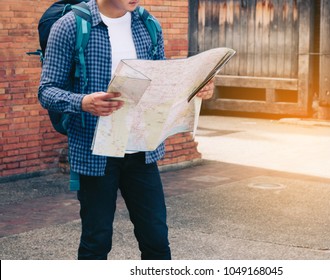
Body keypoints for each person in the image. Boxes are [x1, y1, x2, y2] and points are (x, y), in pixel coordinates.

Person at [38, 0, 212, 260]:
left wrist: (196, 89)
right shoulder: (70, 26)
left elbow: (160, 84)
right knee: (96, 242)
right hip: (94, 152)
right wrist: (83, 102)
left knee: (156, 241)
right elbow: (46, 90)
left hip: (142, 151)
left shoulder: (147, 25)